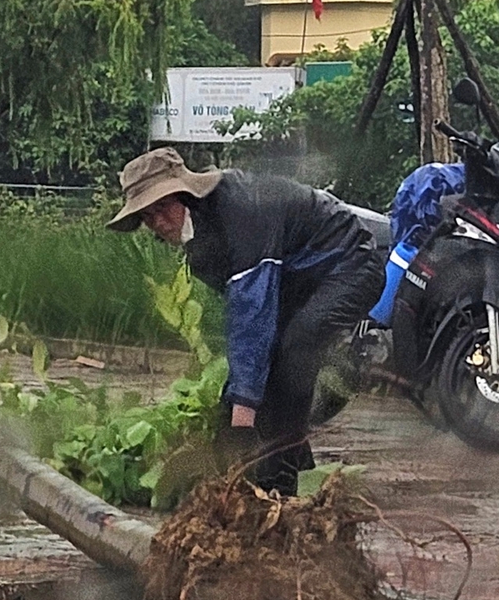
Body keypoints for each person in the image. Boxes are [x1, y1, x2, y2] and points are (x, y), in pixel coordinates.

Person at [108, 147, 384, 494]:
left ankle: (279, 487)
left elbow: (251, 314)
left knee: (296, 351)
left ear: (185, 194)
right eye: (147, 217)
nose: (159, 224)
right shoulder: (199, 240)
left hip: (349, 264)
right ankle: (297, 469)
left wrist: (245, 414)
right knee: (252, 388)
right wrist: (236, 405)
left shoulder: (240, 209)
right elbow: (246, 319)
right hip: (295, 283)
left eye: (162, 208)